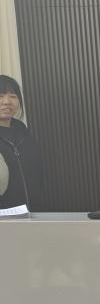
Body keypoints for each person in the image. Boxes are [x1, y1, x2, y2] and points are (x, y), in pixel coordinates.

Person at [0, 75, 42, 210]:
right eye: (0, 96)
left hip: (32, 214)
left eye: (13, 96)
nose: (6, 102)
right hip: (4, 218)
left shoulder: (24, 133)